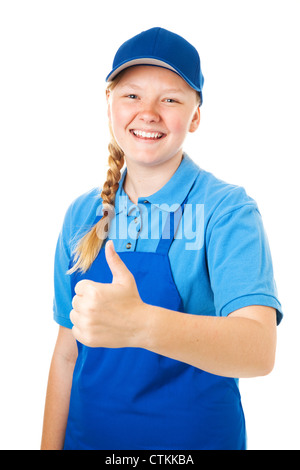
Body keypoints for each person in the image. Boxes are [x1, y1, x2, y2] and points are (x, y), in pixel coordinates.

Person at [41, 27, 283, 450]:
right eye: (132, 95)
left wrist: (143, 324)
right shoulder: (82, 215)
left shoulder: (226, 211)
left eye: (170, 99)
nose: (148, 112)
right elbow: (66, 353)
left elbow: (259, 349)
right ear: (110, 105)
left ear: (195, 116)